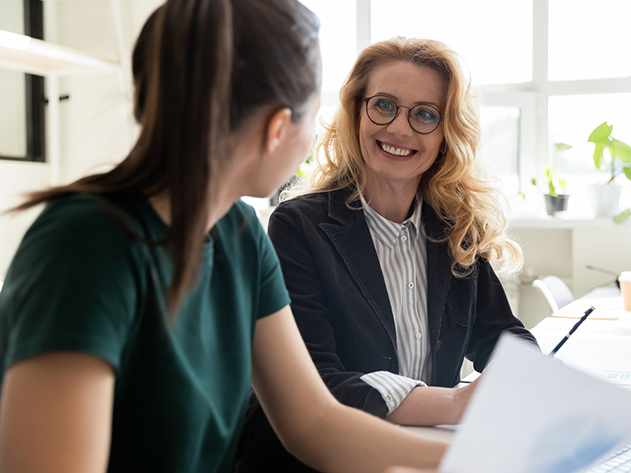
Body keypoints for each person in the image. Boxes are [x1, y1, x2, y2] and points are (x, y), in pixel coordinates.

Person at [0, 2, 447, 472]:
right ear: (277, 128)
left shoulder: (240, 235)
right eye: (313, 113)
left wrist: (484, 458)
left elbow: (315, 422)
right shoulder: (85, 244)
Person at [234, 37, 539, 472]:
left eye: (425, 115)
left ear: (444, 135)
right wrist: (456, 404)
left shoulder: (456, 229)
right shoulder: (298, 226)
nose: (399, 129)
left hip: (417, 453)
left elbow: (506, 335)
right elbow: (319, 385)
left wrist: (507, 380)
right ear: (357, 112)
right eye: (383, 105)